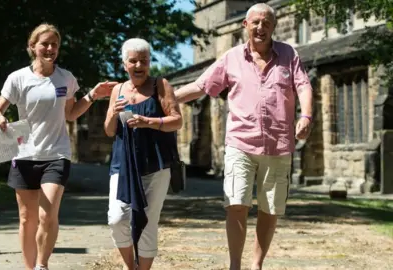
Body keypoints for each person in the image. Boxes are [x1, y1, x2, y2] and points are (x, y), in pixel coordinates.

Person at [175, 3, 313, 270]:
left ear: (274, 26)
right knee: (236, 203)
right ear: (245, 25)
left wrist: (305, 116)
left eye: (267, 23)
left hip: (278, 143)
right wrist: (165, 97)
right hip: (241, 142)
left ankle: (256, 264)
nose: (261, 27)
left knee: (269, 208)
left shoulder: (289, 55)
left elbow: (304, 86)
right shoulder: (232, 58)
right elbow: (201, 86)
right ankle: (235, 265)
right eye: (256, 22)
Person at [0, 23, 117, 270]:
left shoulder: (66, 78)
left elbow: (71, 114)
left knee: (47, 214)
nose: (50, 49)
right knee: (27, 219)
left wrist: (92, 95)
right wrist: (0, 119)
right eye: (44, 44)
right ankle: (29, 268)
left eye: (54, 45)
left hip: (57, 154)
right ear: (32, 47)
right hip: (25, 153)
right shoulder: (18, 78)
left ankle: (42, 265)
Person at [104, 38, 182, 270]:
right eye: (133, 61)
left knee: (147, 222)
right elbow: (109, 131)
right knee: (117, 219)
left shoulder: (161, 85)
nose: (139, 65)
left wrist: (148, 121)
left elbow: (176, 121)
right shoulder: (117, 90)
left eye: (144, 61)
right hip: (123, 164)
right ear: (124, 63)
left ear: (149, 62)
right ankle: (132, 266)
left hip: (155, 163)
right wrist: (112, 113)